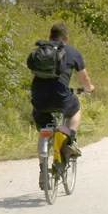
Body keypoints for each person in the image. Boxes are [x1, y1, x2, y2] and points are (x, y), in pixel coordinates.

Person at [28, 22, 94, 158]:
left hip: (39, 97)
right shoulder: (72, 52)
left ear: (50, 36)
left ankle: (44, 160)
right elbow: (84, 78)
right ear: (66, 38)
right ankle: (70, 140)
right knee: (75, 109)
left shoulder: (41, 52)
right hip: (61, 96)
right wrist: (89, 88)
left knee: (41, 115)